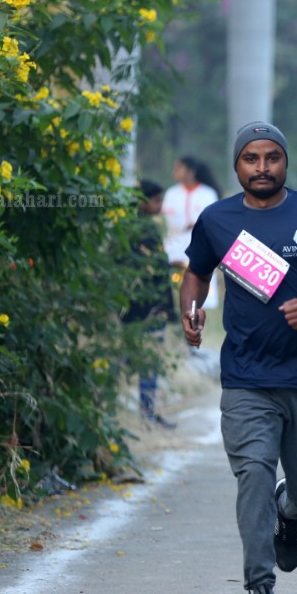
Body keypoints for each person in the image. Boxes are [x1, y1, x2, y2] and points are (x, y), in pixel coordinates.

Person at [179, 122, 297, 594]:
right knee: (252, 473)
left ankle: (290, 512)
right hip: (248, 378)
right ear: (237, 165)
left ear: (285, 162)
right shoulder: (217, 220)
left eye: (272, 157)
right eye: (252, 158)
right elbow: (197, 271)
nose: (263, 167)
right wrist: (191, 307)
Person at [123, 180, 177, 429]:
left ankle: (141, 415)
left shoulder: (123, 226)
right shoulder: (147, 230)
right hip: (150, 307)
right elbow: (157, 272)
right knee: (149, 363)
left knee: (125, 359)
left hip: (129, 308)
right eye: (157, 200)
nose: (160, 206)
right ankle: (148, 413)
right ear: (142, 201)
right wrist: (169, 309)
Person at [164, 156, 221, 310]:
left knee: (202, 288)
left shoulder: (208, 193)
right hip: (175, 246)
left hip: (201, 245)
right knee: (175, 288)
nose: (175, 172)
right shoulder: (172, 194)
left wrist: (193, 225)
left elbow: (211, 221)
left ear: (190, 171)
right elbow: (171, 220)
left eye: (179, 168)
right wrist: (188, 224)